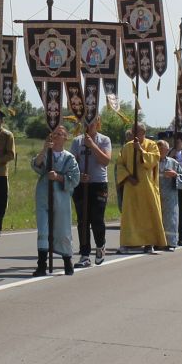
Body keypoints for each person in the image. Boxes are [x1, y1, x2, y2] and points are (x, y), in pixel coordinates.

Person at [31, 123, 79, 276]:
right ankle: (41, 265)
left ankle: (67, 262)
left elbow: (75, 178)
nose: (57, 136)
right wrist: (45, 149)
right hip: (44, 193)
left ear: (65, 137)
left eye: (60, 134)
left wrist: (59, 177)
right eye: (55, 133)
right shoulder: (46, 153)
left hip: (61, 196)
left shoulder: (69, 158)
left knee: (63, 228)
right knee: (43, 229)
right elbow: (36, 165)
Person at [114, 120, 164, 252]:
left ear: (143, 133)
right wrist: (128, 177)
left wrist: (140, 150)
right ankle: (128, 243)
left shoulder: (152, 144)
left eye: (137, 131)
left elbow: (153, 160)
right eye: (133, 131)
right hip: (131, 186)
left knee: (148, 215)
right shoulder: (127, 147)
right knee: (130, 215)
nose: (134, 133)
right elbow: (119, 164)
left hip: (147, 186)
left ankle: (149, 243)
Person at [73, 114, 112, 265]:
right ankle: (84, 254)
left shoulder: (104, 140)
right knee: (83, 220)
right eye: (86, 122)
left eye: (92, 122)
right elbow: (73, 162)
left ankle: (100, 245)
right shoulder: (77, 141)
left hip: (98, 184)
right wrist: (78, 175)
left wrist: (93, 146)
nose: (89, 125)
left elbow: (105, 161)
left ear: (98, 123)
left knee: (97, 218)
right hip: (81, 184)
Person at [157, 139, 182, 249]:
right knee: (157, 219)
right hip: (156, 195)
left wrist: (175, 175)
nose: (159, 150)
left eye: (162, 148)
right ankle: (157, 242)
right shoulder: (152, 162)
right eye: (157, 148)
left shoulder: (173, 163)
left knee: (170, 220)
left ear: (167, 150)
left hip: (170, 197)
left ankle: (171, 243)